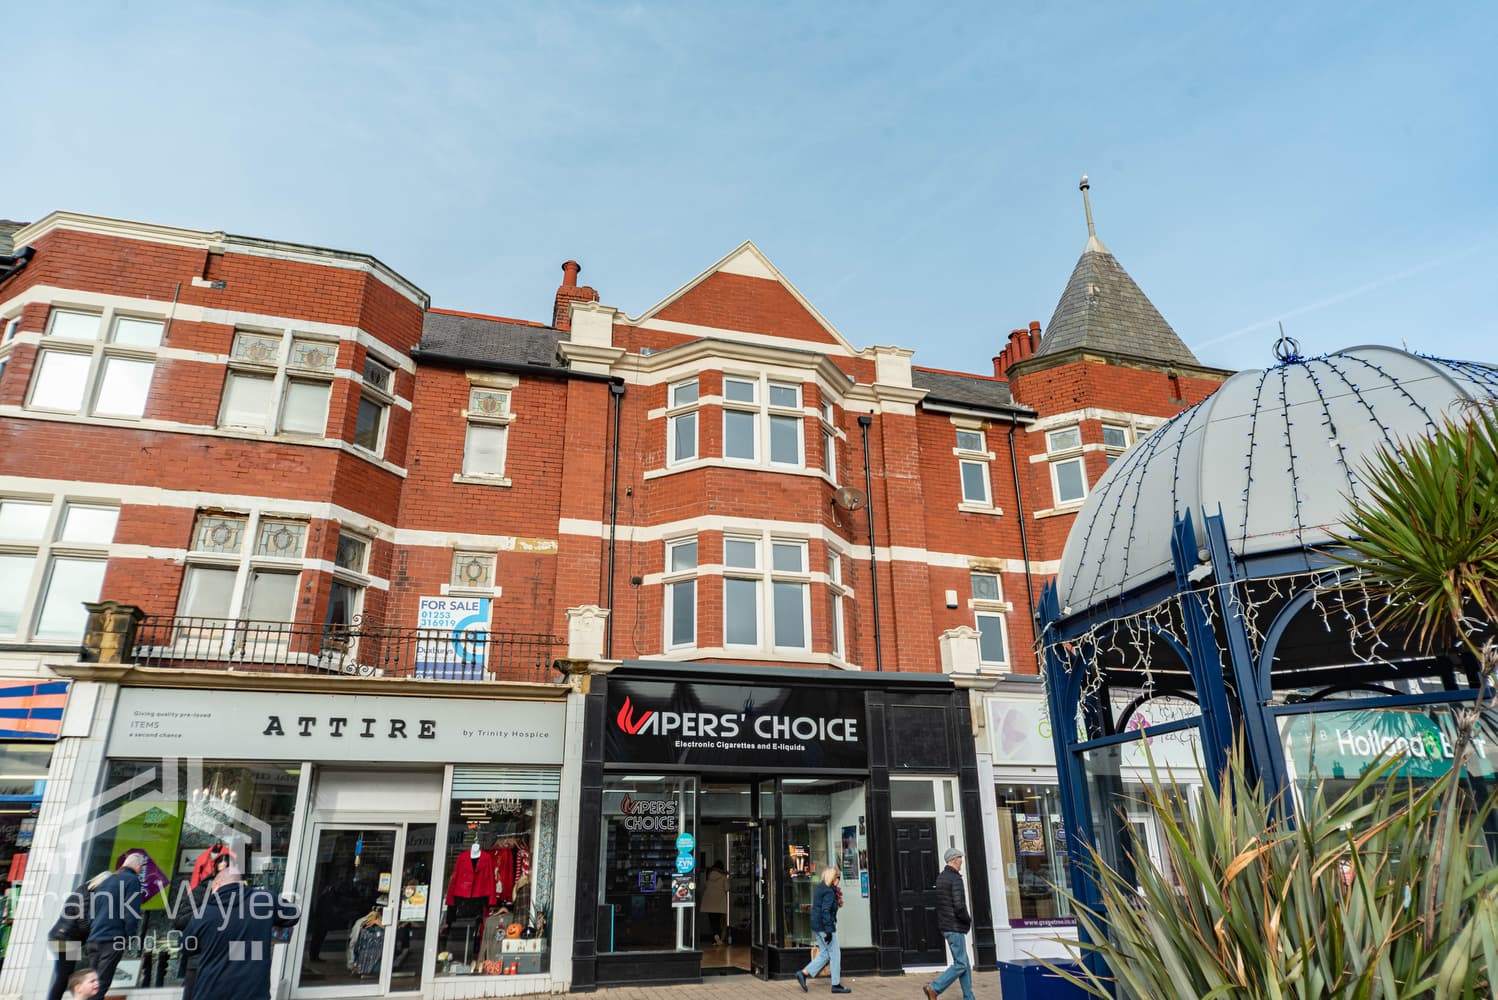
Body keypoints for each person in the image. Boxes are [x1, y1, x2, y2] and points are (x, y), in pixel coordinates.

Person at [184, 863, 299, 1000]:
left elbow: (187, 947)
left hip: (210, 991)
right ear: (241, 883)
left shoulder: (202, 914)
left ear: (217, 885)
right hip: (253, 993)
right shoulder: (264, 900)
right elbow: (293, 914)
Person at [174, 850, 234, 999]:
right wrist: (208, 913)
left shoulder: (242, 895)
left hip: (227, 961)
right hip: (201, 958)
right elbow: (180, 921)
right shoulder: (202, 890)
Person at [86, 852, 146, 996]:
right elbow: (130, 911)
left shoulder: (107, 880)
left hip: (94, 938)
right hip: (112, 939)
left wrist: (91, 929)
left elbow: (92, 909)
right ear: (138, 866)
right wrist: (130, 935)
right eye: (142, 868)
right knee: (100, 984)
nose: (141, 871)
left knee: (90, 984)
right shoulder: (132, 881)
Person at [47, 871, 108, 1000]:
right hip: (66, 939)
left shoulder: (83, 891)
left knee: (64, 974)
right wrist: (94, 933)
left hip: (63, 937)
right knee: (64, 975)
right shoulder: (86, 895)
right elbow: (83, 923)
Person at [922, 848, 973, 1000]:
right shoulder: (955, 878)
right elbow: (959, 906)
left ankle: (969, 997)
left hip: (946, 926)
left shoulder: (942, 877)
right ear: (953, 859)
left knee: (965, 963)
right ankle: (934, 988)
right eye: (959, 858)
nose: (961, 861)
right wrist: (967, 919)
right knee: (961, 964)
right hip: (954, 926)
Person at [795, 866, 850, 994]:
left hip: (817, 925)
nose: (839, 881)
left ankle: (803, 973)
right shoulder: (829, 892)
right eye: (838, 878)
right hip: (825, 926)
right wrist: (829, 932)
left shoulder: (820, 887)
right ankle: (836, 984)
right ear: (833, 878)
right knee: (835, 954)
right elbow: (825, 911)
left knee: (825, 953)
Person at [701, 861, 729, 944]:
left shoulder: (709, 876)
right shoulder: (723, 877)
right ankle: (718, 938)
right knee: (718, 921)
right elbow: (727, 888)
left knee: (712, 921)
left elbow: (705, 885)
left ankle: (715, 938)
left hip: (709, 902)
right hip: (719, 902)